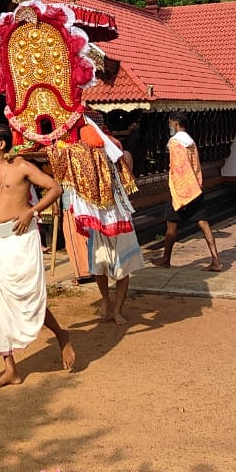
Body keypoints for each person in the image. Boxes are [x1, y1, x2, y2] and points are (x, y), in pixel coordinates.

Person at [0, 122, 75, 388]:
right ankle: (10, 369)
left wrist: (30, 212)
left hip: (20, 239)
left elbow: (55, 188)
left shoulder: (21, 166)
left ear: (1, 144)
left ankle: (61, 335)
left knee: (26, 298)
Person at [63, 124, 144, 324]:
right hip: (97, 218)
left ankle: (117, 309)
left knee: (122, 267)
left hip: (119, 216)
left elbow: (125, 175)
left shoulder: (121, 157)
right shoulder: (81, 159)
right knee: (99, 266)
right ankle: (106, 301)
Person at [151, 112, 222, 273]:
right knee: (203, 223)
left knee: (171, 225)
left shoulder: (176, 143)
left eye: (170, 124)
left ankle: (165, 259)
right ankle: (216, 260)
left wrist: (181, 195)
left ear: (176, 124)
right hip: (195, 188)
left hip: (180, 189)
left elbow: (178, 169)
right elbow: (195, 167)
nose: (169, 127)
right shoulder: (190, 142)